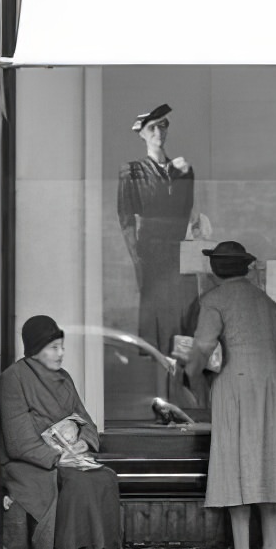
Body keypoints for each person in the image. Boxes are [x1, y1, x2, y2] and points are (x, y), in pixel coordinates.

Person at [178, 240, 276, 549]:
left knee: (236, 465)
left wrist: (187, 377)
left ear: (216, 268)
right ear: (246, 267)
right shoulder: (268, 303)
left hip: (235, 388)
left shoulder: (214, 300)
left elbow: (204, 346)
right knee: (268, 464)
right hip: (272, 390)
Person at [0, 315, 130, 549]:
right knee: (76, 482)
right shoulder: (13, 378)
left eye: (62, 347)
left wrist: (85, 441)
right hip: (31, 465)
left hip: (69, 458)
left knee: (103, 477)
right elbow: (18, 442)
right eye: (54, 347)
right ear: (35, 348)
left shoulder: (64, 378)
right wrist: (59, 459)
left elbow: (86, 421)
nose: (61, 353)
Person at [117, 103, 197, 381]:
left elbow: (186, 212)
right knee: (157, 320)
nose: (158, 132)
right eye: (152, 127)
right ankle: (160, 384)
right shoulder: (133, 171)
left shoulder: (182, 170)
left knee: (183, 317)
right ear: (142, 133)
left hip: (178, 253)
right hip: (151, 253)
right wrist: (137, 260)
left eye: (163, 125)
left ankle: (183, 381)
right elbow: (126, 218)